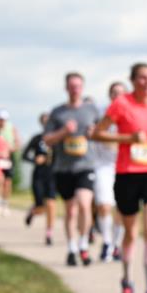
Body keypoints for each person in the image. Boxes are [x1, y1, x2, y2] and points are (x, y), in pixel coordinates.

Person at [93, 66, 147, 293]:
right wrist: (128, 139)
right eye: (142, 78)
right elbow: (98, 134)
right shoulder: (121, 104)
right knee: (131, 232)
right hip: (127, 173)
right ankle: (126, 279)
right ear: (133, 80)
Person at [44, 72, 102, 267]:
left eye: (78, 86)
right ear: (66, 88)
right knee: (70, 211)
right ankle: (71, 248)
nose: (75, 89)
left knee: (85, 204)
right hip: (64, 167)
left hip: (86, 165)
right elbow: (47, 140)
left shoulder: (92, 110)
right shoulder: (58, 113)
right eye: (72, 86)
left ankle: (84, 245)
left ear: (82, 88)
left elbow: (103, 132)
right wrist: (63, 132)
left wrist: (95, 132)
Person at [93, 84, 127, 263]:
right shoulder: (101, 113)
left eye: (121, 93)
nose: (118, 97)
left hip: (123, 165)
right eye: (114, 93)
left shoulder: (130, 114)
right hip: (103, 165)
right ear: (109, 95)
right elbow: (92, 132)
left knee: (122, 209)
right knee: (104, 205)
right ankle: (106, 241)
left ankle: (116, 244)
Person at [22, 113, 57, 245]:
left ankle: (49, 233)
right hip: (39, 175)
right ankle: (33, 211)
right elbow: (24, 155)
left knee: (51, 204)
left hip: (52, 175)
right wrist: (35, 160)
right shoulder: (36, 139)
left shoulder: (57, 139)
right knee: (40, 208)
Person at [0, 109, 21, 216]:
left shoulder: (11, 128)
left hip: (8, 158)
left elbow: (17, 143)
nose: (2, 121)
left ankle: (5, 205)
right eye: (0, 119)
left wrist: (10, 149)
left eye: (3, 119)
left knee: (7, 182)